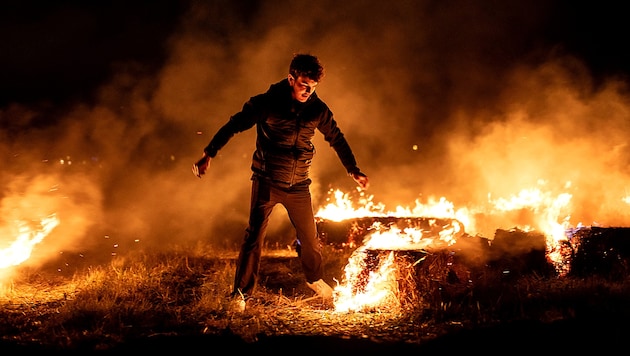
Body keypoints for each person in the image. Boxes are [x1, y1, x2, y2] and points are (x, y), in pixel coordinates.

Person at [192, 53, 369, 310]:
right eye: (303, 85)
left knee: (310, 238)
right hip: (267, 180)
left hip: (298, 185)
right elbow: (234, 125)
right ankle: (240, 295)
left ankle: (314, 279)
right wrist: (209, 153)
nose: (308, 92)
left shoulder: (318, 109)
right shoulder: (266, 103)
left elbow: (336, 138)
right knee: (254, 237)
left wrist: (353, 169)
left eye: (313, 88)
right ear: (290, 79)